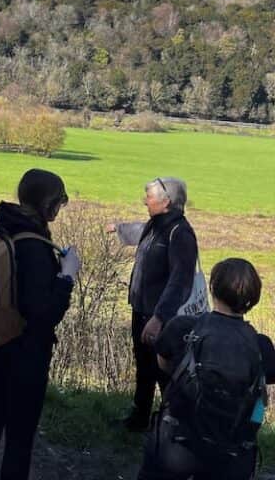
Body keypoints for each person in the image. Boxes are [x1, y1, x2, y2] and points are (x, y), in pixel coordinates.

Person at [0, 169, 80, 480]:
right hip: (25, 353)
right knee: (19, 436)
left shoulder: (6, 229)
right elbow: (43, 314)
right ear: (49, 205)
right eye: (60, 201)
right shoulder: (35, 247)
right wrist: (66, 276)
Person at [138, 258, 275, 480]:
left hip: (176, 446)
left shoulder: (181, 327)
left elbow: (163, 365)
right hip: (232, 455)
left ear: (212, 288)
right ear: (253, 298)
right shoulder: (261, 346)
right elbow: (264, 388)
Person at [107, 177, 198, 432]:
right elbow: (141, 230)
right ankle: (140, 419)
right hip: (143, 311)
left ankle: (173, 428)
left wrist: (159, 318)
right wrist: (119, 228)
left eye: (149, 197)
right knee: (145, 368)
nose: (144, 200)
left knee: (165, 374)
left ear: (166, 202)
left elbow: (180, 281)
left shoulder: (181, 234)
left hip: (161, 319)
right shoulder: (157, 224)